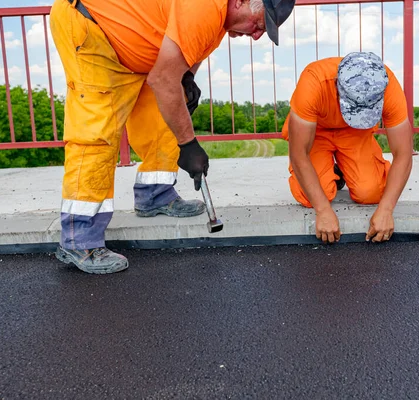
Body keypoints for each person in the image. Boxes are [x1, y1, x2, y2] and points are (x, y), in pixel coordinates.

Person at [49, 0, 295, 274]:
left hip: (134, 49)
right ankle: (78, 239)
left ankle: (155, 195)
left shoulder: (218, 21)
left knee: (165, 111)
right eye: (259, 23)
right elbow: (164, 79)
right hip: (92, 29)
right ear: (240, 1)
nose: (258, 34)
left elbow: (182, 60)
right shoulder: (205, 8)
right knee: (97, 134)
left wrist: (186, 79)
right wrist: (189, 145)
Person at [282, 52, 414, 244]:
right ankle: (332, 172)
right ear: (338, 86)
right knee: (312, 197)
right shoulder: (314, 81)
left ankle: (343, 170)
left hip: (354, 131)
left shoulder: (387, 85)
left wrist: (386, 210)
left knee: (372, 193)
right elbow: (299, 153)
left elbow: (403, 154)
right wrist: (323, 210)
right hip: (315, 131)